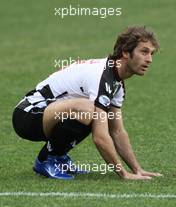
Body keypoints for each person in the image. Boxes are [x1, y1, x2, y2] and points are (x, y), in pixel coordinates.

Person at [12, 25, 163, 180]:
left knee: (95, 112)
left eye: (151, 53)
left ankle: (58, 158)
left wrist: (137, 170)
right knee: (90, 110)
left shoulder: (116, 84)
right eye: (144, 52)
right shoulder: (102, 76)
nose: (149, 59)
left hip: (46, 115)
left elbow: (117, 131)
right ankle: (46, 159)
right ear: (125, 52)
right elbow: (100, 136)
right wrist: (123, 174)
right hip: (28, 115)